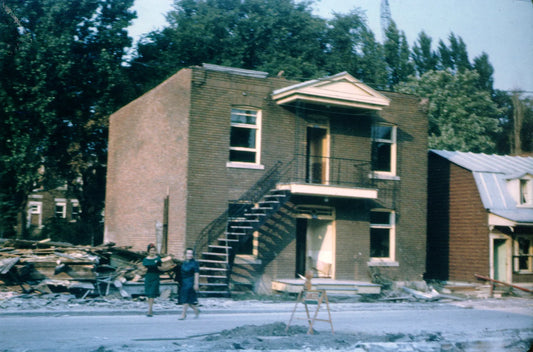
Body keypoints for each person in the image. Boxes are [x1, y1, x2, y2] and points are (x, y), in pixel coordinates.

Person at [179, 248, 200, 320]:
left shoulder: (195, 263)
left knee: (186, 298)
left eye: (191, 253)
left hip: (191, 281)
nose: (189, 255)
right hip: (184, 282)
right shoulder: (184, 262)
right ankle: (196, 310)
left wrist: (196, 284)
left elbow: (196, 274)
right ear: (185, 254)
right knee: (189, 300)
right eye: (188, 253)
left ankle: (183, 314)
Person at [142, 243, 162, 317]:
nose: (152, 252)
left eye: (154, 250)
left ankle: (150, 310)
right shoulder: (145, 259)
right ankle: (150, 309)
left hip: (155, 277)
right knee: (148, 294)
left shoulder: (158, 258)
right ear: (148, 251)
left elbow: (161, 268)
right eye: (151, 250)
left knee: (152, 294)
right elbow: (144, 269)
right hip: (148, 277)